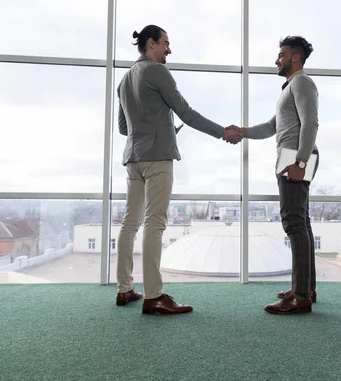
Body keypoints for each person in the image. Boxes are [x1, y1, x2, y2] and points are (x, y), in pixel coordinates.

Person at [115, 24, 242, 315]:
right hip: (158, 158)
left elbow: (124, 128)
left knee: (129, 223)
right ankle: (154, 296)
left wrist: (155, 127)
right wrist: (222, 131)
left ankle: (124, 290)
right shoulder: (158, 72)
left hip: (133, 158)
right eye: (165, 43)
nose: (169, 49)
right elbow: (186, 111)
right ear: (151, 43)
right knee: (155, 224)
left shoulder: (124, 80)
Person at [227, 36, 319, 314]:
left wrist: (300, 162)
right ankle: (305, 288)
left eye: (281, 55)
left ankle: (300, 296)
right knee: (301, 222)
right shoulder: (290, 87)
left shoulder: (302, 82)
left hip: (296, 156)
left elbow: (311, 123)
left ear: (295, 58)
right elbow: (271, 126)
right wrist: (241, 132)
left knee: (294, 224)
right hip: (293, 156)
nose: (276, 60)